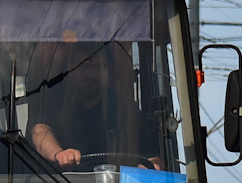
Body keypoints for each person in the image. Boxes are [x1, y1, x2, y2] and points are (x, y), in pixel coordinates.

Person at [29, 41, 162, 169]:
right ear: (71, 68)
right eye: (85, 67)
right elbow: (39, 131)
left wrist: (152, 166)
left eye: (98, 67)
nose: (91, 75)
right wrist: (59, 154)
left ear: (108, 71)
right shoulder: (56, 101)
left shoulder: (124, 108)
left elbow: (152, 158)